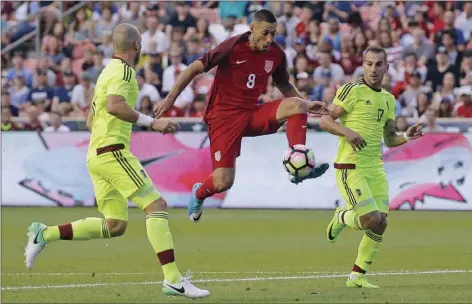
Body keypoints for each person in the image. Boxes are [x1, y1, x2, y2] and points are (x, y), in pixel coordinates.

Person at [24, 23, 209, 299]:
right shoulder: (124, 72)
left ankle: (43, 234)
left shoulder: (105, 73)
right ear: (137, 45)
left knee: (115, 225)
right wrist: (152, 123)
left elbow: (91, 119)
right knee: (156, 205)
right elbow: (114, 106)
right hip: (113, 151)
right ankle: (173, 279)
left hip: (96, 154)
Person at [154, 9, 329, 223]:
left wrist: (308, 104)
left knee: (297, 105)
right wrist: (169, 99)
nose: (270, 39)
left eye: (273, 34)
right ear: (252, 28)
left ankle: (298, 163)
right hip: (222, 120)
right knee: (223, 182)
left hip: (251, 114)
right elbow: (193, 69)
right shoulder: (233, 46)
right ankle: (199, 193)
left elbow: (283, 84)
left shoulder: (275, 53)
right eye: (265, 33)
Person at [319, 46, 424, 288]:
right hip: (350, 167)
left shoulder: (388, 100)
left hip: (375, 168)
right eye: (369, 63)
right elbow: (325, 119)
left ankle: (357, 276)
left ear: (387, 67)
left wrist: (406, 136)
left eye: (379, 64)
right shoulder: (351, 90)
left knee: (381, 223)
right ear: (363, 66)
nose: (373, 69)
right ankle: (343, 217)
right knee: (370, 219)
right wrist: (348, 132)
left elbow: (389, 139)